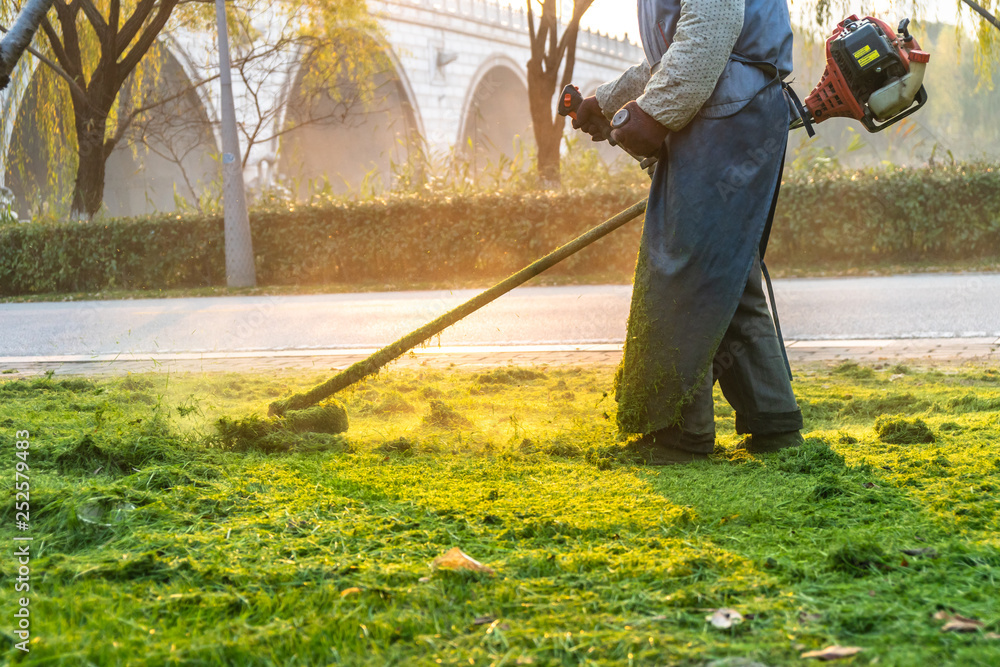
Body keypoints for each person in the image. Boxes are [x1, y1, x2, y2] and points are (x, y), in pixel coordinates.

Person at [572, 0, 804, 464]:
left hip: (724, 117)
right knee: (726, 272)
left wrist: (650, 116)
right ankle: (772, 420)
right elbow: (673, 55)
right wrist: (609, 101)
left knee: (682, 270)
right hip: (730, 112)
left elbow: (708, 35)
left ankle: (678, 433)